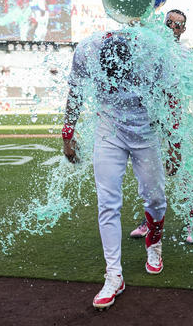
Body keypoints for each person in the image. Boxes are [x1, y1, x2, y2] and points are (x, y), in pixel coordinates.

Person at [62, 30, 178, 310]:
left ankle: (154, 242)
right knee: (107, 203)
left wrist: (175, 144)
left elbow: (171, 96)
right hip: (109, 129)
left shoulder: (153, 52)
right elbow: (76, 90)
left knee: (156, 197)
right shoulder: (88, 49)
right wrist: (67, 133)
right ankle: (113, 275)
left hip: (146, 129)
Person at [129, 9, 193, 244]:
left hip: (178, 120)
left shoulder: (185, 54)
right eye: (169, 23)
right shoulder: (152, 49)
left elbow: (187, 90)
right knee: (150, 174)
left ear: (184, 29)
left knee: (185, 174)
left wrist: (178, 127)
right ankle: (148, 221)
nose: (173, 27)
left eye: (178, 25)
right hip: (152, 120)